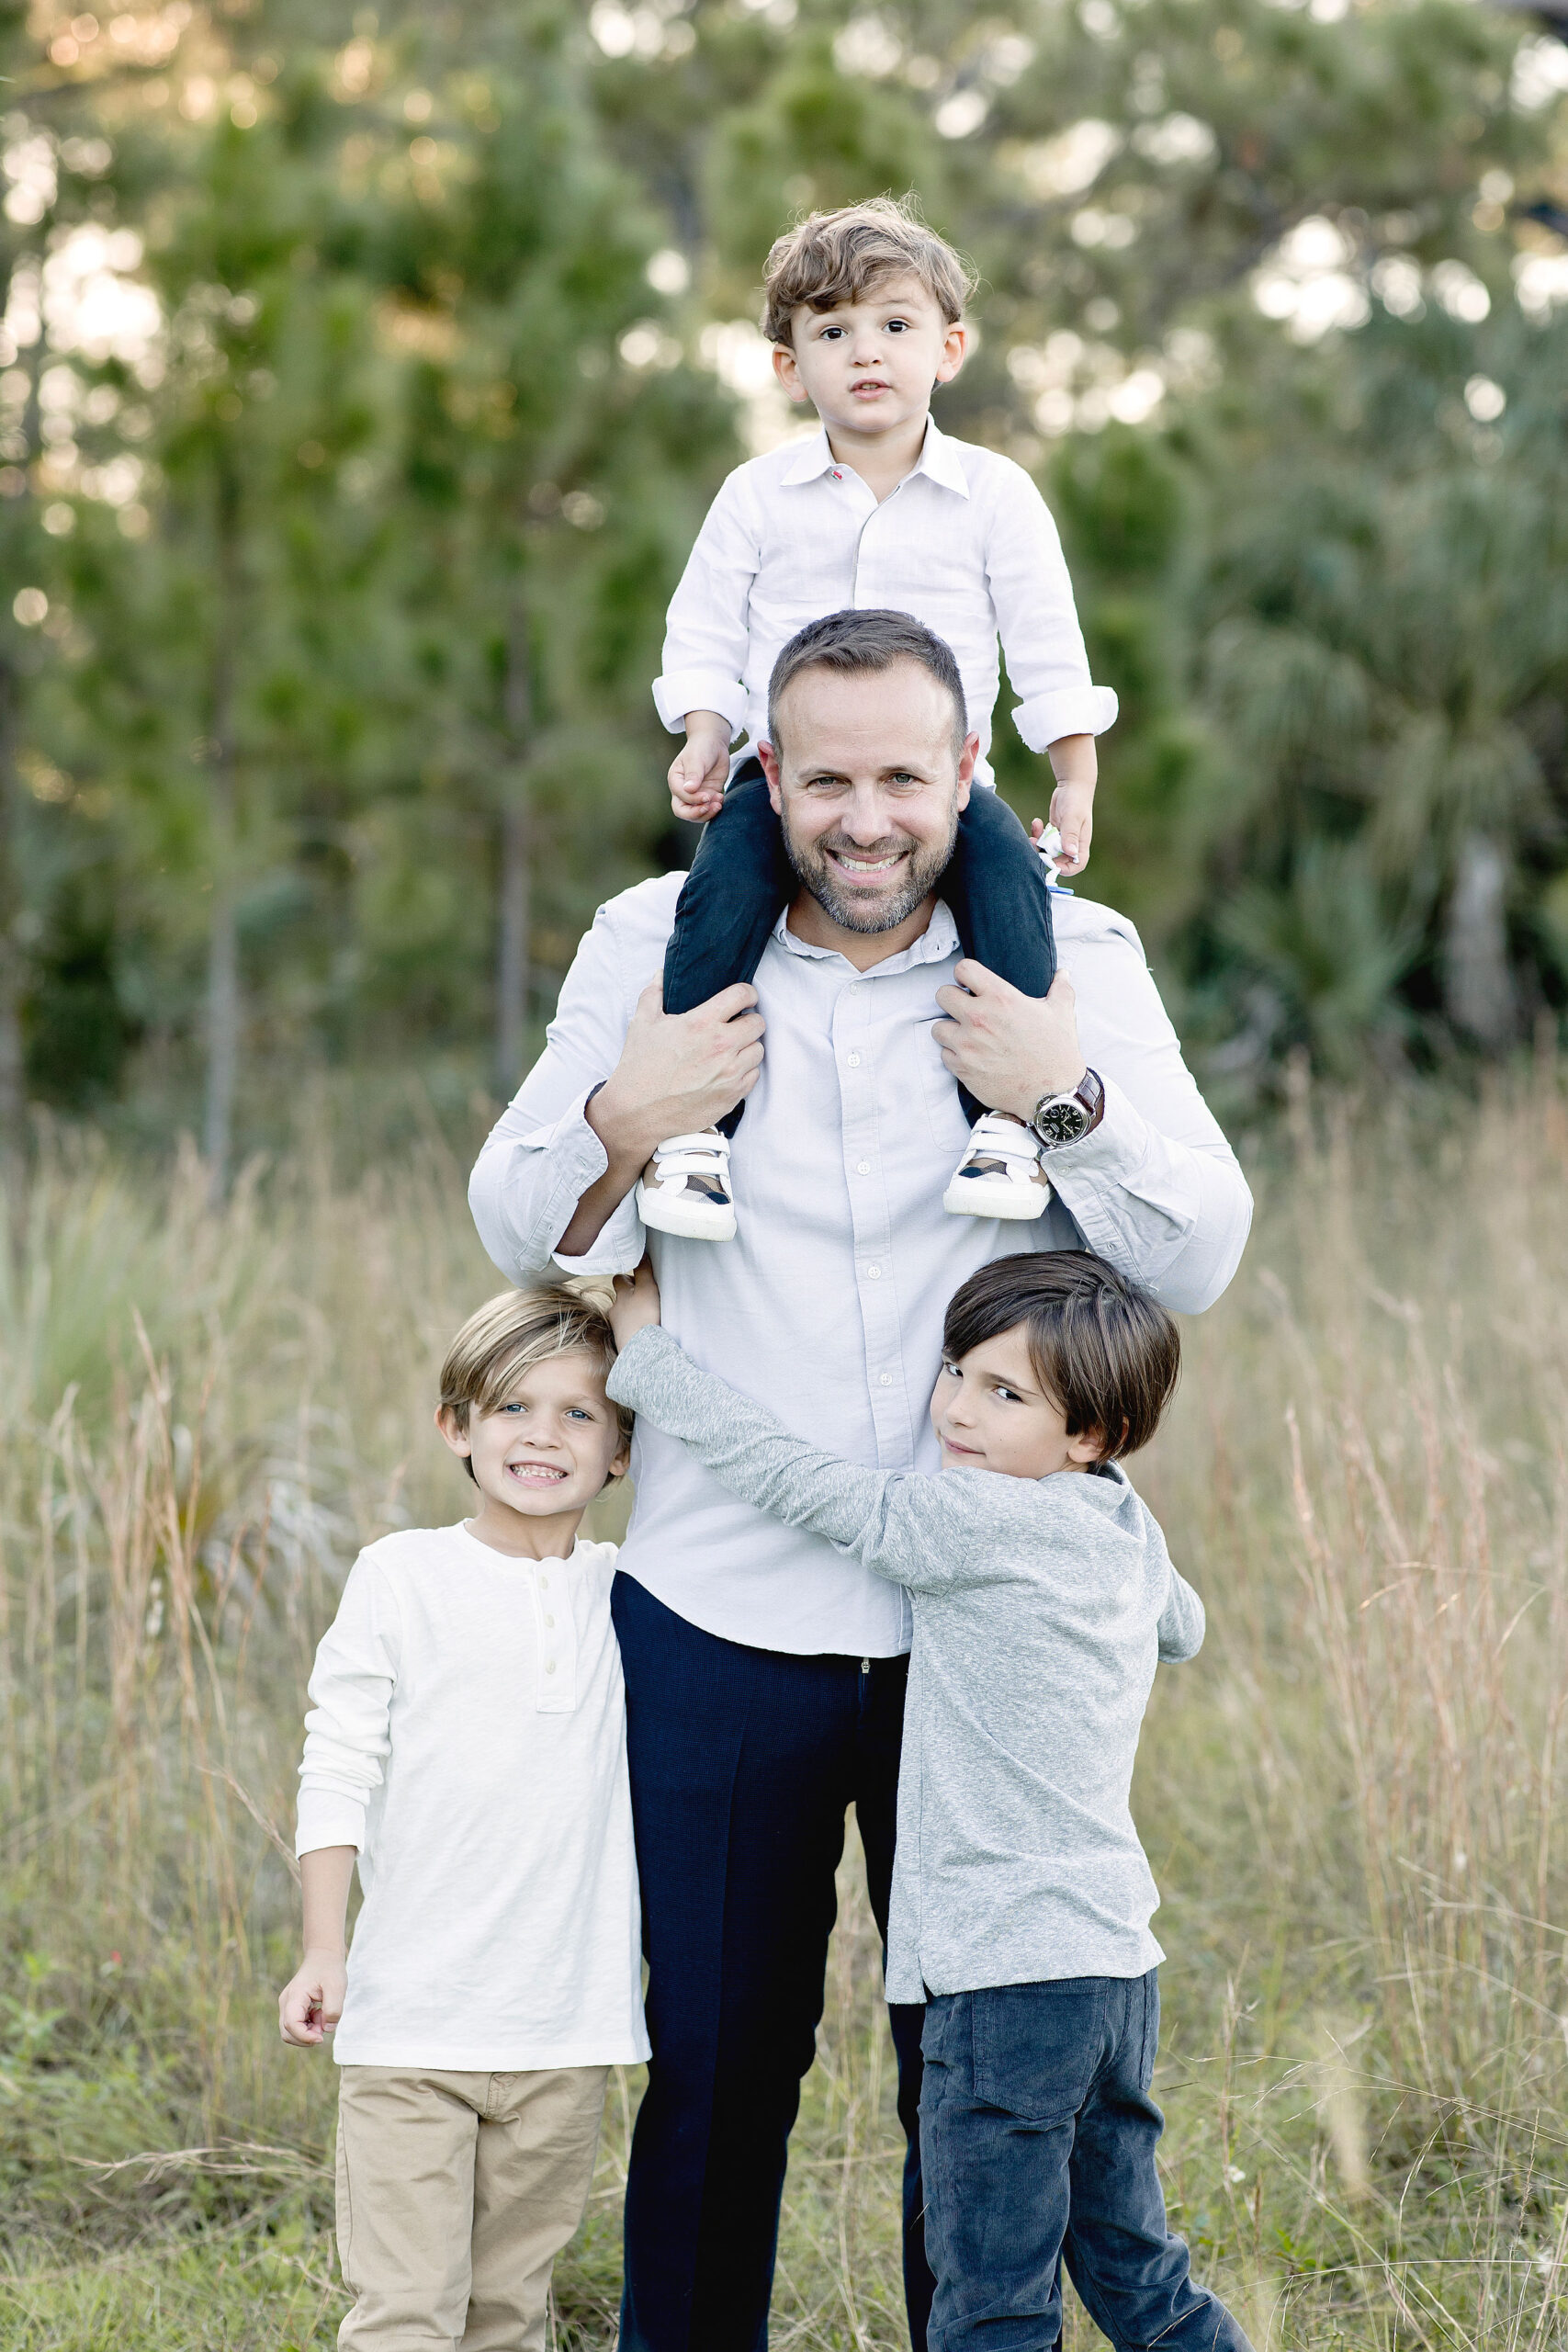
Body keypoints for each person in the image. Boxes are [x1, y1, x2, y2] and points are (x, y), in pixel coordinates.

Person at [468, 606, 1253, 2352]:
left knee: (970, 2109)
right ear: (766, 775)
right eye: (824, 777)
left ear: (970, 772)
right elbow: (510, 1210)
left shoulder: (1075, 958)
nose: (866, 816)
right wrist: (624, 1114)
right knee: (716, 2086)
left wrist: (1065, 1101)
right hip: (716, 1615)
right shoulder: (653, 939)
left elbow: (1197, 1247)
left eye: (907, 773)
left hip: (974, 1648)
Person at [603, 1249, 1252, 2352]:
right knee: (1136, 2269)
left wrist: (647, 1360)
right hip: (1112, 1967)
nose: (955, 1409)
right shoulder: (1122, 1531)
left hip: (1001, 1979)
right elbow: (1182, 1626)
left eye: (1006, 1396)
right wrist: (1097, 1472)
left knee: (990, 2297)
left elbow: (795, 1478)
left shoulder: (966, 1521)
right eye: (956, 1372)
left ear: (1090, 1434)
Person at [642, 196, 1119, 1241]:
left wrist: (1073, 778)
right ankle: (692, 1136)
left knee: (1009, 886)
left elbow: (1048, 643)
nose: (867, 353)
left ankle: (1001, 1125)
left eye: (895, 325)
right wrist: (706, 735)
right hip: (790, 784)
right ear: (787, 366)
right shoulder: (757, 497)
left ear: (948, 349)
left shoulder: (994, 496)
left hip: (942, 790)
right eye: (832, 330)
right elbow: (707, 630)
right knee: (722, 892)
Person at [276, 1282, 649, 2352]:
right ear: (457, 1426)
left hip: (564, 2034)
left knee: (506, 2317)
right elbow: (337, 1763)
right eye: (511, 1408)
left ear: (623, 1448)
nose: (544, 1436)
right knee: (405, 2316)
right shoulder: (402, 1576)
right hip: (410, 2027)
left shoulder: (632, 1594)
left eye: (580, 1413)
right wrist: (322, 1949)